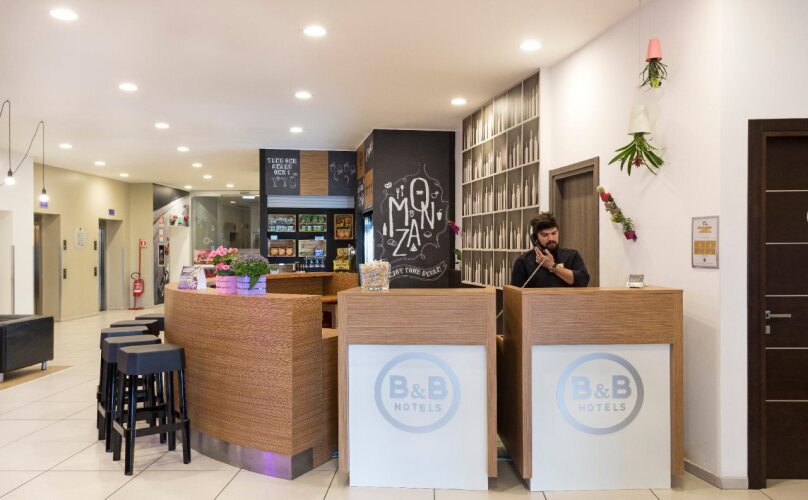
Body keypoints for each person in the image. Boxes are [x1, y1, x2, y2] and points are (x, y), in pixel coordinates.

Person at [510, 212, 590, 288]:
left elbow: (583, 281)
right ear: (535, 238)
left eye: (554, 233)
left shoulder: (572, 256)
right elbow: (514, 294)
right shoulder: (523, 261)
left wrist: (552, 266)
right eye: (545, 235)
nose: (551, 238)